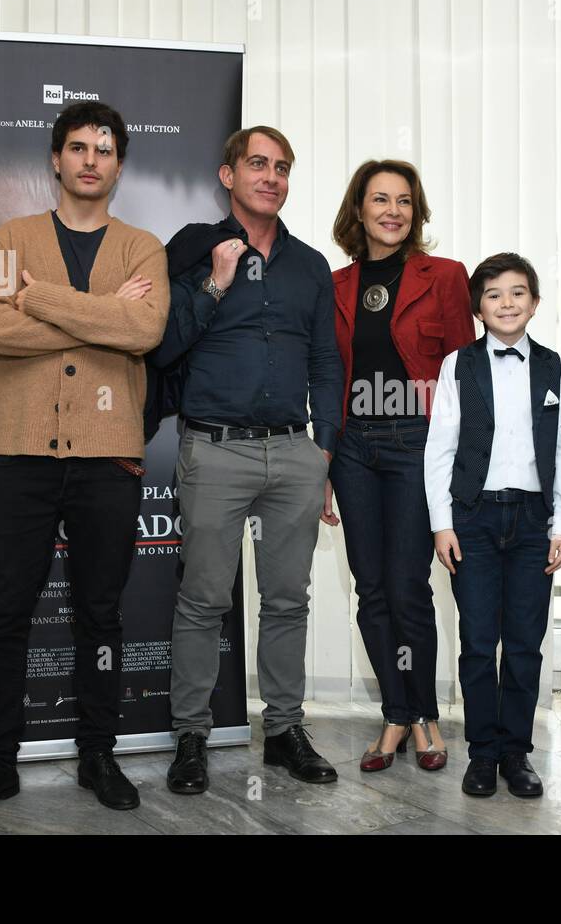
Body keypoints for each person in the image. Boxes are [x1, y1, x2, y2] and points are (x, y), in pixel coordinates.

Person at [0, 101, 170, 823]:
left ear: (119, 164)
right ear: (56, 159)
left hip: (108, 460)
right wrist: (98, 313)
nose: (90, 160)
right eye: (77, 147)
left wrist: (39, 300)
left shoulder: (143, 248)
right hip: (21, 459)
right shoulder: (11, 235)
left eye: (104, 149)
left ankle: (97, 754)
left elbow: (144, 330)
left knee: (100, 617)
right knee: (3, 615)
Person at [151, 126, 344, 794]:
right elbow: (163, 342)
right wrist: (215, 282)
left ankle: (284, 730)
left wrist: (326, 452)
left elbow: (325, 359)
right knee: (204, 599)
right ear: (227, 174)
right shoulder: (193, 251)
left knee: (289, 599)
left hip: (295, 452)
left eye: (282, 167)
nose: (271, 176)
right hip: (214, 449)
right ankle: (192, 737)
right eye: (258, 164)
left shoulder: (311, 266)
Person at [328, 160, 474, 773]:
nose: (392, 211)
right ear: (358, 210)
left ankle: (425, 718)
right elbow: (327, 376)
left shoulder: (444, 276)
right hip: (354, 447)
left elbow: (467, 374)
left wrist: (460, 463)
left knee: (409, 585)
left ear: (416, 213)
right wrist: (325, 460)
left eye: (405, 201)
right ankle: (395, 713)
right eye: (380, 199)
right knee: (371, 588)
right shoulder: (334, 284)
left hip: (418, 442)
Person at [425, 253, 561, 798]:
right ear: (478, 309)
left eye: (517, 292)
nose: (506, 303)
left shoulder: (556, 366)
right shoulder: (458, 366)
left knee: (528, 644)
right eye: (493, 295)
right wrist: (443, 523)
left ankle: (516, 753)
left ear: (534, 302)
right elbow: (439, 448)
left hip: (534, 521)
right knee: (479, 640)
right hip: (475, 519)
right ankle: (482, 753)